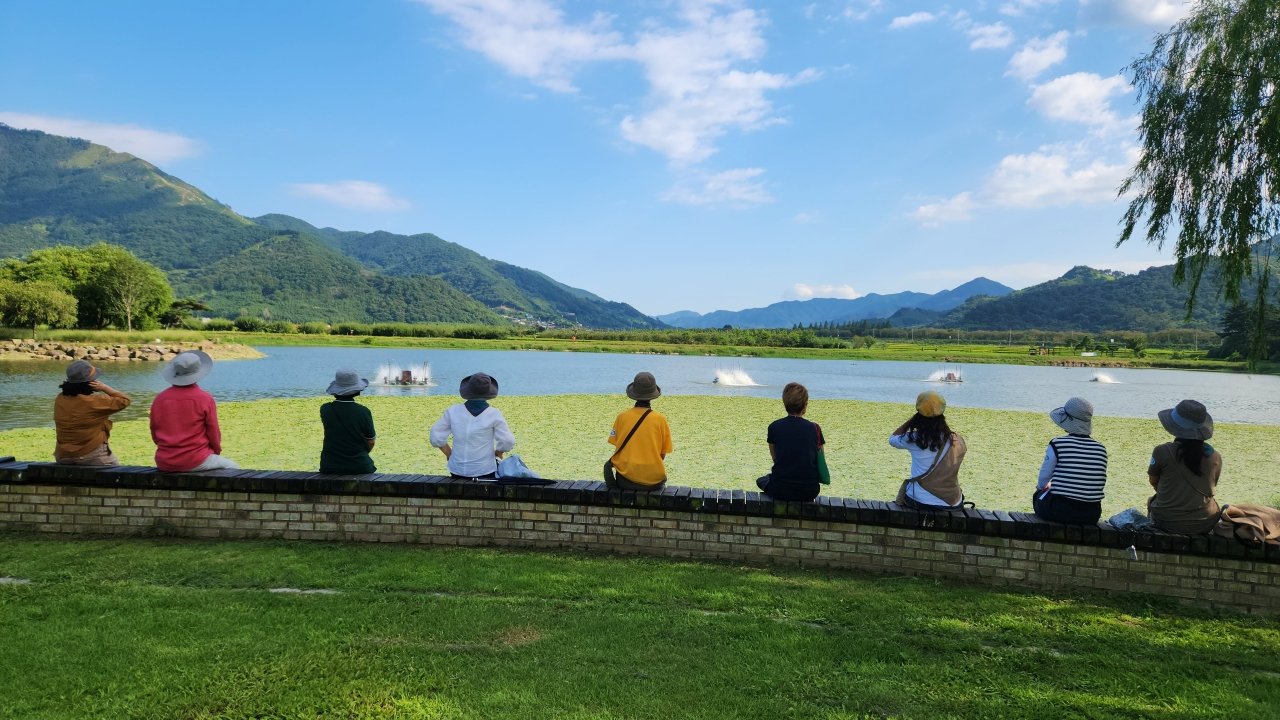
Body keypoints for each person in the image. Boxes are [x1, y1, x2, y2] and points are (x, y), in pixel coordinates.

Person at [150, 351, 240, 472]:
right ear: (198, 372)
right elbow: (213, 432)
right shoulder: (205, 398)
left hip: (164, 462)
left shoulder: (159, 398)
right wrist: (215, 452)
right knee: (233, 468)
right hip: (196, 460)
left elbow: (154, 432)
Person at [1147, 399, 1222, 534]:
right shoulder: (1215, 457)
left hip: (1165, 521)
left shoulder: (1162, 451)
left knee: (1150, 501)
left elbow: (1153, 480)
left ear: (1175, 426)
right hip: (1204, 523)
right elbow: (1211, 487)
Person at [1033, 397, 1108, 524]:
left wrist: (1044, 487)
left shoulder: (1057, 443)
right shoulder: (1101, 449)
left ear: (1067, 420)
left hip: (1059, 510)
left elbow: (1043, 479)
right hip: (1092, 514)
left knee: (1038, 494)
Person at [890, 390, 967, 509]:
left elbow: (892, 439)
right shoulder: (957, 440)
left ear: (919, 413)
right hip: (953, 503)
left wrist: (911, 421)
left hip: (920, 501)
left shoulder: (914, 439)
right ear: (942, 412)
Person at [430, 372, 514, 479]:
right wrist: (498, 453)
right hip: (485, 471)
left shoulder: (452, 411)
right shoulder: (494, 414)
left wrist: (449, 454)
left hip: (456, 471)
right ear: (488, 392)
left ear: (468, 390)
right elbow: (508, 441)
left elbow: (436, 436)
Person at [53, 360, 131, 466]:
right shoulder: (94, 402)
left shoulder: (60, 399)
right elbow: (124, 400)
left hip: (63, 456)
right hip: (92, 456)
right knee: (116, 472)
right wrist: (105, 388)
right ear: (91, 383)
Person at [756, 382, 824, 502]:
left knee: (761, 480)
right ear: (805, 405)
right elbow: (820, 459)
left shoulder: (774, 427)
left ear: (785, 403)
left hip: (780, 490)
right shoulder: (815, 428)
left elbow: (776, 458)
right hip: (809, 491)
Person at [605, 371, 672, 491]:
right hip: (654, 481)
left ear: (633, 393)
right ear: (653, 394)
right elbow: (662, 455)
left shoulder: (622, 417)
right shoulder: (660, 419)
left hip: (625, 480)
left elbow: (617, 445)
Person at [319, 368, 376, 475]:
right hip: (360, 466)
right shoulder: (363, 411)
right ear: (357, 390)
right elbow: (371, 441)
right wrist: (359, 455)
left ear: (336, 389)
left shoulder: (325, 409)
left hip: (329, 466)